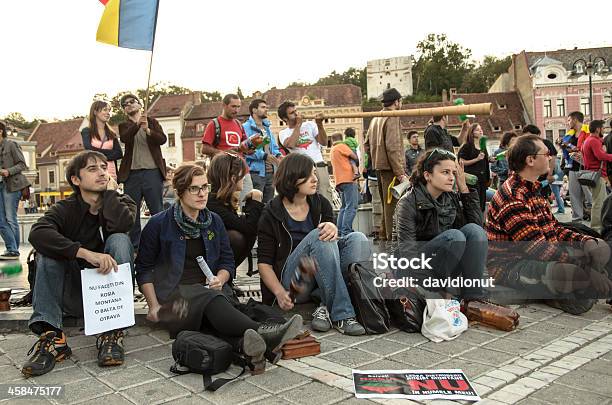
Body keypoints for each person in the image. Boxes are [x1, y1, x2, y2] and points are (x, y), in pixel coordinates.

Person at [136, 163, 302, 373]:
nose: (202, 193)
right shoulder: (159, 224)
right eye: (194, 188)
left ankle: (245, 347)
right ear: (179, 191)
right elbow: (143, 269)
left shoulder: (213, 221)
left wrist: (221, 279)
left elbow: (226, 262)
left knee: (214, 308)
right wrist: (153, 306)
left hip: (212, 292)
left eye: (205, 187)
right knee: (212, 300)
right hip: (175, 300)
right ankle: (265, 333)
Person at [22, 151, 136, 377]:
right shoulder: (65, 208)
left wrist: (111, 196)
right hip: (72, 292)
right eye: (93, 169)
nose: (102, 172)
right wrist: (85, 253)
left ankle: (112, 332)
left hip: (106, 299)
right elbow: (37, 234)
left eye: (104, 167)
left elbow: (123, 224)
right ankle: (53, 337)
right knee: (46, 252)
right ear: (76, 179)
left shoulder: (122, 202)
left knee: (120, 240)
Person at [487, 135, 612, 314]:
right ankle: (561, 292)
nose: (551, 157)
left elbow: (554, 229)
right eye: (546, 153)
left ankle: (584, 286)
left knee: (600, 248)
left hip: (539, 254)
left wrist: (586, 241)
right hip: (510, 265)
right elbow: (538, 248)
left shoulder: (533, 188)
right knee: (575, 274)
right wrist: (585, 268)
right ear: (530, 160)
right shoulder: (513, 197)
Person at [257, 153, 368, 336]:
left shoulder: (320, 203)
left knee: (358, 239)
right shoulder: (271, 212)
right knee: (319, 236)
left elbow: (330, 247)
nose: (315, 179)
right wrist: (278, 292)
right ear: (292, 177)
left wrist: (333, 226)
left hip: (321, 279)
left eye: (315, 173)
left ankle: (324, 304)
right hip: (295, 285)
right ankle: (342, 315)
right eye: (308, 175)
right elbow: (264, 263)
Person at [396, 149, 487, 299]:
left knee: (474, 231)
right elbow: (408, 255)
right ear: (428, 175)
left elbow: (477, 230)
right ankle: (440, 292)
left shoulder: (449, 197)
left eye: (453, 173)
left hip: (444, 262)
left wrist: (464, 189)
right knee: (454, 236)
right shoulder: (408, 202)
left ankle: (473, 299)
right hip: (415, 270)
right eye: (445, 172)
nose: (451, 178)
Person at [118, 94, 167, 250]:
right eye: (125, 104)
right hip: (132, 174)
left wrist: (148, 130)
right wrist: (137, 125)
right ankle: (135, 247)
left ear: (140, 104)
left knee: (157, 210)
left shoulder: (152, 122)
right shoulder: (124, 125)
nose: (129, 105)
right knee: (132, 212)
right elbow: (125, 138)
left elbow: (162, 139)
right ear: (124, 110)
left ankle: (162, 242)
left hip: (152, 171)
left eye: (132, 102)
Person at [364, 88, 408, 241]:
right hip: (391, 169)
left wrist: (375, 159)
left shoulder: (376, 117)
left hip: (379, 167)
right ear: (396, 102)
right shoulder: (393, 116)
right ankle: (392, 242)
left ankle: (384, 238)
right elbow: (393, 147)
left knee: (385, 207)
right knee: (392, 208)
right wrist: (400, 173)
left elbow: (366, 144)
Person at [207, 153, 264, 269]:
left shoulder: (219, 199)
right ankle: (223, 278)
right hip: (203, 259)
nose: (244, 177)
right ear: (233, 178)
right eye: (242, 174)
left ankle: (227, 276)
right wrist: (256, 200)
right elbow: (250, 228)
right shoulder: (213, 204)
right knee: (236, 238)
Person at [201, 94, 254, 204]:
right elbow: (204, 149)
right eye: (233, 106)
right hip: (224, 171)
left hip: (242, 169)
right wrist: (224, 153)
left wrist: (250, 148)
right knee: (226, 203)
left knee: (248, 201)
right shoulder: (214, 124)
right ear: (224, 105)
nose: (237, 110)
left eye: (238, 107)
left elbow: (244, 146)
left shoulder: (239, 124)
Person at [277, 101, 333, 204]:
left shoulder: (310, 125)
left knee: (325, 196)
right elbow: (291, 144)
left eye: (296, 111)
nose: (296, 114)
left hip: (319, 165)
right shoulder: (283, 133)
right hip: (302, 170)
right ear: (285, 119)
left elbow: (324, 142)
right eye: (292, 113)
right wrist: (298, 125)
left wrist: (319, 125)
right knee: (306, 199)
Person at [0, 122, 31, 259]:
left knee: (11, 218)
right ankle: (11, 248)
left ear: (0, 131)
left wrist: (8, 171)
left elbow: (22, 164)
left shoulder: (11, 144)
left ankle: (13, 250)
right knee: (0, 220)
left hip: (12, 185)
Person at [243, 99, 282, 204]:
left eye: (266, 107)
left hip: (271, 172)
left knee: (268, 205)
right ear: (254, 110)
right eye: (263, 107)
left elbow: (273, 146)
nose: (266, 109)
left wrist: (278, 155)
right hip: (256, 172)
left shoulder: (266, 128)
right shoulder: (246, 127)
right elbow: (246, 149)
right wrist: (264, 156)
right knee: (255, 204)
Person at [580, 120, 612, 232]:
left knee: (598, 201)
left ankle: (597, 226)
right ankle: (596, 228)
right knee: (599, 203)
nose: (604, 130)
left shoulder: (588, 140)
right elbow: (600, 155)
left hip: (592, 174)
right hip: (597, 176)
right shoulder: (593, 141)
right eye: (603, 128)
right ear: (598, 129)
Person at [81, 100, 123, 183]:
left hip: (111, 175)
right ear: (95, 112)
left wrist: (98, 154)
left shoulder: (112, 134)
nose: (108, 113)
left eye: (109, 110)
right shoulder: (86, 131)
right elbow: (89, 149)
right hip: (94, 175)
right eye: (105, 110)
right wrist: (110, 153)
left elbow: (118, 153)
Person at [561, 112, 592, 222]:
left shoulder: (589, 131)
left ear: (575, 119)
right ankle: (576, 219)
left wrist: (576, 151)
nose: (568, 122)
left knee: (590, 197)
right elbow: (570, 149)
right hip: (572, 167)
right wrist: (564, 146)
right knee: (574, 196)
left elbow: (591, 148)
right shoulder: (569, 135)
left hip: (586, 168)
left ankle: (597, 218)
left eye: (569, 120)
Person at [330, 133, 360, 237]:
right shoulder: (342, 146)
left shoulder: (333, 150)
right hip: (349, 178)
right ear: (341, 139)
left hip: (339, 180)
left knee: (343, 207)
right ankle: (346, 231)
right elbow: (354, 156)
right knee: (352, 207)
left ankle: (340, 231)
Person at [458, 123, 490, 212]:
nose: (480, 131)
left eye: (481, 129)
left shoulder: (482, 145)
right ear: (471, 133)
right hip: (472, 180)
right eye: (477, 130)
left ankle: (481, 224)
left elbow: (483, 160)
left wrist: (490, 159)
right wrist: (477, 159)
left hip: (482, 179)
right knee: (474, 205)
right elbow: (461, 162)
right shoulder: (467, 146)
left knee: (482, 205)